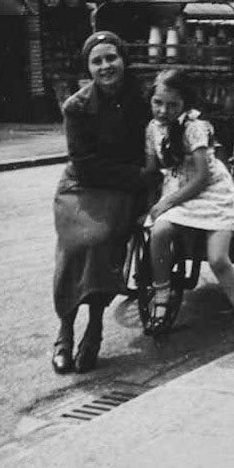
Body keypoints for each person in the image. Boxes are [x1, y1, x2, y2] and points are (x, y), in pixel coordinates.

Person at [145, 69, 234, 350]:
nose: (163, 110)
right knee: (159, 232)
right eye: (158, 103)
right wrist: (149, 203)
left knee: (218, 259)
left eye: (172, 105)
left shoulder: (195, 127)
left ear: (184, 104)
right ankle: (162, 297)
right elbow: (153, 170)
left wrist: (167, 202)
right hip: (178, 189)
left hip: (212, 193)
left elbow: (203, 178)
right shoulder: (152, 129)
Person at [51, 31, 152, 374]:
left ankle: (93, 329)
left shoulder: (141, 99)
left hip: (121, 189)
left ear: (123, 60)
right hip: (81, 185)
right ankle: (64, 332)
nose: (106, 66)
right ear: (89, 68)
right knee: (73, 245)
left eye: (111, 58)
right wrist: (137, 176)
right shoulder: (76, 107)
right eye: (97, 61)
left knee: (102, 241)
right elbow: (85, 165)